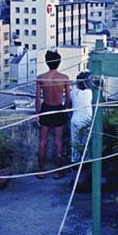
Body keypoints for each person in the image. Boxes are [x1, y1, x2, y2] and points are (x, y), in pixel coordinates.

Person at [34, 50, 70, 179]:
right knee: (58, 142)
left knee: (42, 142)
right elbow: (68, 99)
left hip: (46, 109)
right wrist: (64, 110)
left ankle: (41, 171)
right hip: (58, 109)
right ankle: (57, 172)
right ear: (59, 63)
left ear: (47, 62)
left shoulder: (41, 78)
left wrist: (37, 114)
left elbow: (37, 99)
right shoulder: (64, 78)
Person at [70, 71, 93, 161]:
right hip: (88, 120)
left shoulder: (73, 92)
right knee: (87, 143)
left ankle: (75, 162)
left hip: (75, 120)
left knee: (75, 144)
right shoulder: (91, 93)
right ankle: (87, 161)